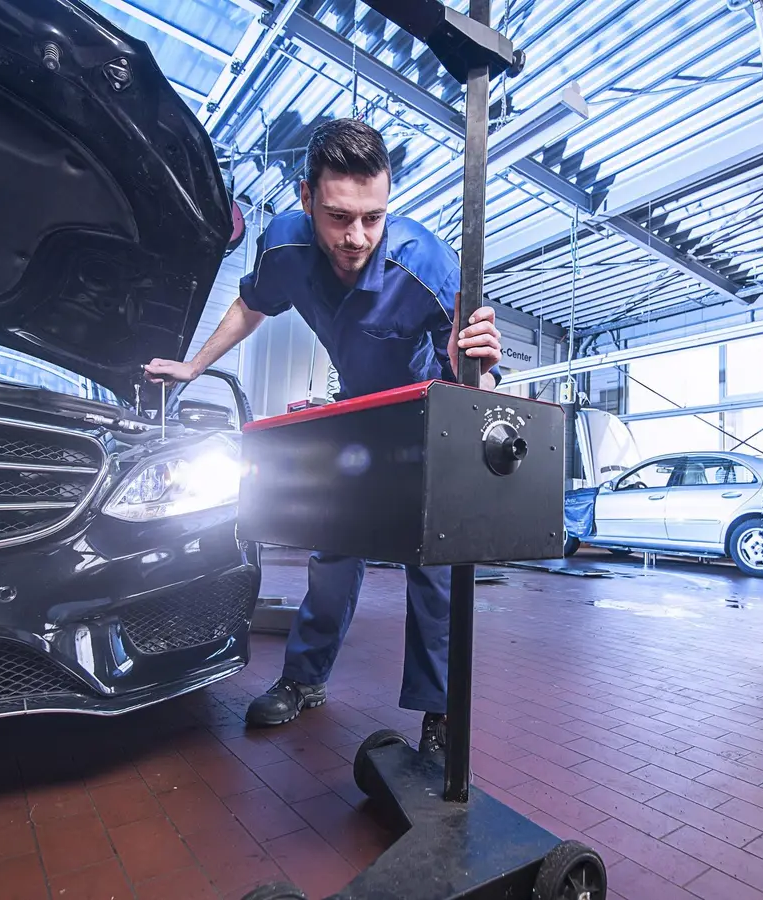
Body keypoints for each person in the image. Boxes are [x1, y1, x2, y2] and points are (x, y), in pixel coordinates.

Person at [145, 119, 503, 753]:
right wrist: (195, 366)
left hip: (427, 419)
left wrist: (477, 353)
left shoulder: (425, 262)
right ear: (306, 198)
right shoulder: (284, 245)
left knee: (434, 566)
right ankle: (304, 680)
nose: (358, 236)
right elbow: (251, 304)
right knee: (333, 550)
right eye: (339, 217)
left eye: (374, 216)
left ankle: (440, 712)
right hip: (357, 417)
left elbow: (470, 358)